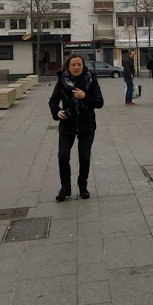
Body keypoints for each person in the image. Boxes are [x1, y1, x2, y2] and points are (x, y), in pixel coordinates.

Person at [48, 54, 105, 201]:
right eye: (73, 65)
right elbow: (53, 101)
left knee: (84, 157)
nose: (76, 67)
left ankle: (83, 186)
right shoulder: (62, 81)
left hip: (87, 124)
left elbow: (99, 102)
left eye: (79, 64)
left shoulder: (91, 80)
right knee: (63, 155)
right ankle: (65, 187)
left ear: (83, 66)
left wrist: (84, 96)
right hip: (67, 124)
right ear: (68, 66)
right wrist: (57, 112)